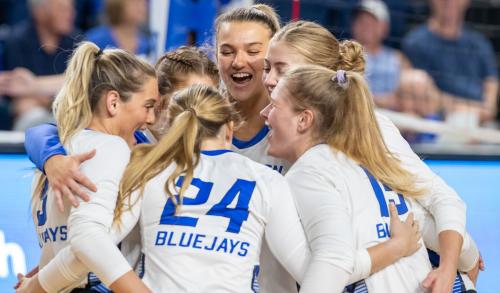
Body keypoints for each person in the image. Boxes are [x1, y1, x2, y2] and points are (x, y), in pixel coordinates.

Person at [19, 84, 314, 293]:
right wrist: (360, 256)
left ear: (172, 128)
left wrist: (38, 285)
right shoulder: (267, 179)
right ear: (230, 129)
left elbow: (90, 245)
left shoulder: (147, 172)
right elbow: (308, 269)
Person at [263, 20, 480, 292]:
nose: (269, 79)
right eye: (267, 67)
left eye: (282, 70)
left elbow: (434, 201)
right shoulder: (278, 137)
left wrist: (453, 263)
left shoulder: (369, 130)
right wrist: (463, 255)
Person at [262, 64, 433, 292]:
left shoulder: (310, 170)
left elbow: (332, 263)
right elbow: (462, 245)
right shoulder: (371, 162)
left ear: (304, 120)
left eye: (273, 105)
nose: (264, 113)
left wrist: (396, 247)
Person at [17, 41, 158, 293]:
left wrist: (36, 282)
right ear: (113, 102)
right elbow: (87, 240)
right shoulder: (111, 147)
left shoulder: (53, 159)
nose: (151, 119)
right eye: (147, 106)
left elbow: (57, 247)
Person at [402, 0, 498, 124]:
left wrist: (481, 112)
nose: (449, 2)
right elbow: (423, 97)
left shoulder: (480, 44)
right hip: (437, 123)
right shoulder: (415, 42)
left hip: (482, 126)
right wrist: (473, 109)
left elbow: (490, 105)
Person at [1, 0, 82, 130]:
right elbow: (19, 99)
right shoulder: (17, 40)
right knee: (32, 116)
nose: (71, 14)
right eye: (62, 9)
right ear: (39, 12)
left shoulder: (77, 41)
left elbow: (82, 87)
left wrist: (35, 90)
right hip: (31, 118)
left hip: (67, 115)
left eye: (72, 8)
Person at [351, 0, 410, 110]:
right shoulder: (343, 54)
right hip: (355, 111)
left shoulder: (398, 58)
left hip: (393, 117)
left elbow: (408, 96)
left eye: (372, 21)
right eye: (361, 20)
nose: (365, 26)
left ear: (385, 27)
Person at [86, 0, 152, 59]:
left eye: (143, 2)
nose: (142, 7)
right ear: (118, 6)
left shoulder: (147, 43)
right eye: (135, 3)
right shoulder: (96, 41)